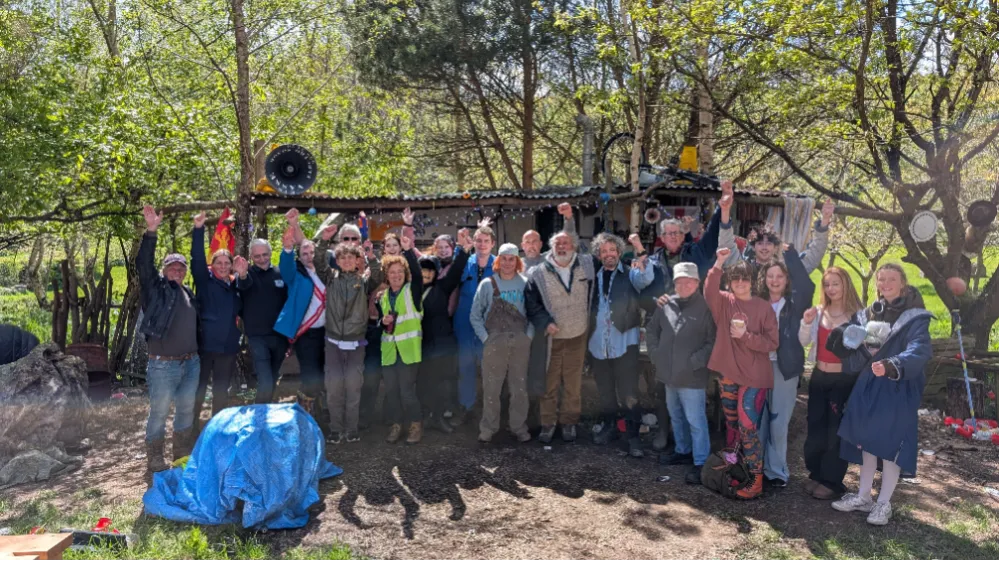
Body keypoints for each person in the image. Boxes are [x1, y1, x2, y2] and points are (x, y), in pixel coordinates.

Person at [830, 264, 931, 526]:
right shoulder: (868, 314)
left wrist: (891, 365)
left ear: (903, 284)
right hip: (869, 385)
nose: (886, 284)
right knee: (866, 441)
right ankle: (864, 497)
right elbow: (849, 337)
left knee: (890, 446)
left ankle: (884, 503)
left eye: (892, 279)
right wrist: (845, 339)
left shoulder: (915, 318)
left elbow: (919, 350)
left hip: (896, 387)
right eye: (882, 279)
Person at [703, 247, 779, 500]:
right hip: (728, 373)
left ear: (752, 281)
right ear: (730, 281)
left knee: (748, 428)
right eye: (735, 278)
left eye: (745, 278)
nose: (740, 282)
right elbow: (709, 290)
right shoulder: (724, 302)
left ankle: (756, 482)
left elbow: (772, 342)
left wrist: (745, 336)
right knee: (732, 425)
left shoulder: (763, 307)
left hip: (755, 376)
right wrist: (719, 261)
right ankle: (736, 470)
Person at [138, 205, 201, 473]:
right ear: (164, 270)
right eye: (172, 267)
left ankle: (181, 455)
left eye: (180, 267)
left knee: (186, 412)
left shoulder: (187, 291)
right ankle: (154, 458)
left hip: (190, 363)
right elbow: (143, 264)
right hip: (163, 365)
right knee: (160, 413)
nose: (177, 270)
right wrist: (151, 230)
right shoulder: (155, 289)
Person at [311, 222, 383, 444]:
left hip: (356, 344)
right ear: (338, 260)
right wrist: (324, 240)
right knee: (334, 389)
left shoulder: (363, 281)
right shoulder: (331, 278)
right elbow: (318, 261)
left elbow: (378, 276)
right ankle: (335, 429)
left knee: (353, 388)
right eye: (343, 258)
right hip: (332, 342)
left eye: (351, 258)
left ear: (357, 261)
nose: (347, 261)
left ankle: (351, 429)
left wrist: (371, 256)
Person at [798, 267, 865, 500]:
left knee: (835, 431)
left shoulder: (858, 315)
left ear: (845, 284)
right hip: (819, 377)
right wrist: (806, 323)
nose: (831, 289)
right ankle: (816, 473)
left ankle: (832, 480)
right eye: (827, 284)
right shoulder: (818, 312)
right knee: (815, 425)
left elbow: (865, 351)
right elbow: (804, 341)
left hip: (842, 381)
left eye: (835, 284)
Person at [586, 233, 655, 457]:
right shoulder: (592, 277)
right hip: (598, 344)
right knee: (606, 393)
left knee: (629, 393)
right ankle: (610, 428)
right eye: (604, 251)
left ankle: (633, 437)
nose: (608, 255)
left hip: (624, 342)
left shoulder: (630, 272)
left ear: (619, 251)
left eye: (612, 250)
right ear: (599, 254)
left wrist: (639, 247)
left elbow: (646, 279)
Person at [647, 262, 716, 484]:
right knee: (675, 415)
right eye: (679, 281)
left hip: (693, 377)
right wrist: (656, 354)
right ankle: (683, 450)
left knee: (695, 420)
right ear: (674, 283)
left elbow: (712, 341)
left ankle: (701, 462)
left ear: (697, 283)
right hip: (669, 374)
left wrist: (695, 362)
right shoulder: (666, 304)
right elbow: (651, 330)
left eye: (688, 281)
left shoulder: (706, 307)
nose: (684, 285)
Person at [525, 230, 594, 443]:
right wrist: (546, 322)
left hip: (578, 335)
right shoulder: (537, 272)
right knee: (549, 382)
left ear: (573, 246)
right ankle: (547, 424)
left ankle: (569, 423)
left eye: (566, 243)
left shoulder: (588, 265)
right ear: (551, 247)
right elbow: (532, 304)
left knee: (573, 383)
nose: (562, 247)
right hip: (551, 338)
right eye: (558, 244)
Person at [755, 250, 815, 489]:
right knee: (758, 420)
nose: (775, 280)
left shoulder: (795, 302)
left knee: (778, 422)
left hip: (785, 367)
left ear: (786, 279)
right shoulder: (757, 303)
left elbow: (808, 285)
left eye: (780, 276)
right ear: (764, 279)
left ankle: (777, 471)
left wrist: (790, 256)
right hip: (758, 366)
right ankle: (756, 467)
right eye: (770, 275)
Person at [470, 244, 535, 443]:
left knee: (519, 388)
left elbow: (533, 313)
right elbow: (475, 316)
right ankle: (488, 427)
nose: (508, 263)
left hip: (520, 341)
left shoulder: (526, 283)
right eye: (504, 258)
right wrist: (486, 339)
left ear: (517, 261)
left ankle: (518, 427)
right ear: (498, 261)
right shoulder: (487, 284)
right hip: (494, 341)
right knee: (491, 388)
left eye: (512, 259)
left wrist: (528, 337)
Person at [524, 203, 577, 428]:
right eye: (527, 241)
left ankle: (548, 417)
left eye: (535, 240)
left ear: (542, 244)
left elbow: (568, 242)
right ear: (522, 245)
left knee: (547, 372)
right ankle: (527, 414)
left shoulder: (551, 260)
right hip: (523, 327)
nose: (531, 245)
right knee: (527, 371)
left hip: (547, 327)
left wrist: (568, 219)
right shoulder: (513, 263)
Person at [189, 212, 243, 429]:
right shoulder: (204, 281)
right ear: (212, 265)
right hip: (204, 347)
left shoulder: (236, 285)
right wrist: (199, 229)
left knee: (221, 391)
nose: (222, 266)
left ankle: (217, 428)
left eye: (226, 263)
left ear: (231, 265)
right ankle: (190, 427)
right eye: (218, 262)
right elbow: (197, 259)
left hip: (227, 348)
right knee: (199, 389)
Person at [418, 230, 473, 434]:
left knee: (443, 381)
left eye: (430, 270)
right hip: (422, 343)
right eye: (423, 270)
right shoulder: (413, 290)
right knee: (425, 381)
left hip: (442, 342)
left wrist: (465, 250)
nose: (427, 274)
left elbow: (457, 269)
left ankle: (439, 417)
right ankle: (426, 417)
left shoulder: (442, 287)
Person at [274, 209, 327, 417]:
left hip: (328, 332)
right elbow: (285, 267)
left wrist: (297, 226)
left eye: (311, 252)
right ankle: (305, 414)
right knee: (310, 375)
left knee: (323, 374)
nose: (308, 255)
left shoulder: (326, 272)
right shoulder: (296, 275)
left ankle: (321, 412)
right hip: (307, 334)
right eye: (304, 253)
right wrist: (288, 248)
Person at [648, 180, 733, 295]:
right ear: (662, 238)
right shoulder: (653, 262)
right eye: (669, 233)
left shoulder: (697, 252)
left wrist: (723, 207)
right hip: (665, 311)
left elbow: (712, 231)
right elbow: (645, 293)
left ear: (683, 236)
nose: (673, 237)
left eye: (677, 233)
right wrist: (655, 301)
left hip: (697, 309)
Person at [378, 236, 425, 444]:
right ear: (386, 276)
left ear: (404, 274)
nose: (396, 275)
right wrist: (382, 321)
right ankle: (396, 425)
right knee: (392, 392)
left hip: (408, 351)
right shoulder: (384, 296)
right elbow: (385, 325)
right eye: (392, 272)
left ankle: (415, 425)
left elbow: (417, 274)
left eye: (399, 272)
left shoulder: (412, 291)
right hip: (389, 352)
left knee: (407, 392)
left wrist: (408, 250)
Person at [735, 199, 834, 293]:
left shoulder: (786, 269)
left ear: (775, 247)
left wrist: (824, 221)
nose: (764, 247)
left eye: (769, 243)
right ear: (753, 246)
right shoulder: (744, 270)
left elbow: (814, 255)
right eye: (760, 243)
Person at [452, 221, 497, 425]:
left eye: (486, 241)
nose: (481, 244)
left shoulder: (498, 265)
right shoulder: (465, 261)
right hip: (464, 322)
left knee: (489, 368)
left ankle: (490, 410)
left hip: (488, 323)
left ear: (492, 244)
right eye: (478, 240)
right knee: (465, 366)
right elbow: (453, 277)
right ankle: (466, 407)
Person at [235, 239, 288, 404]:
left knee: (272, 378)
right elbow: (243, 286)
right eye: (257, 256)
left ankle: (266, 414)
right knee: (265, 382)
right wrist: (242, 275)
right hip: (257, 337)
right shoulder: (246, 274)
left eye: (265, 254)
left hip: (280, 336)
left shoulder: (281, 273)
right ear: (251, 256)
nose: (262, 258)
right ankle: (259, 416)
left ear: (271, 253)